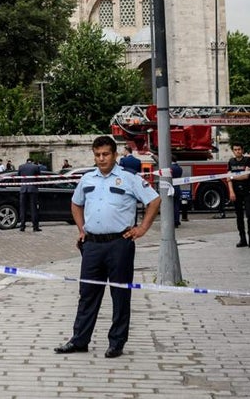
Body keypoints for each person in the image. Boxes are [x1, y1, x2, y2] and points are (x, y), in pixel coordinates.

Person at [55, 136, 160, 359]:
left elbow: (154, 200)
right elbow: (76, 203)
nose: (101, 159)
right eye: (97, 154)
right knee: (87, 294)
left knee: (120, 294)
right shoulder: (87, 178)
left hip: (119, 244)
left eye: (105, 154)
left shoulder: (129, 178)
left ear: (115, 155)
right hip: (92, 245)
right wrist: (82, 229)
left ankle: (116, 342)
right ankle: (79, 340)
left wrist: (141, 229)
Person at [226, 144, 250, 248]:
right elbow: (228, 179)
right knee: (239, 216)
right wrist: (231, 192)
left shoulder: (247, 160)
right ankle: (242, 239)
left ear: (242, 150)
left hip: (247, 192)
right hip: (236, 193)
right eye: (235, 150)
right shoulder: (231, 162)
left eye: (239, 149)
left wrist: (232, 176)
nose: (237, 151)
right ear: (233, 151)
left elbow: (246, 176)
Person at [17, 157, 44, 231]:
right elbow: (39, 177)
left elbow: (19, 176)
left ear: (26, 161)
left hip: (23, 189)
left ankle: (22, 226)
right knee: (33, 208)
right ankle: (35, 227)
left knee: (22, 208)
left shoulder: (21, 167)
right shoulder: (36, 167)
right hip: (33, 189)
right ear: (32, 161)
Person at [169, 156, 184, 227]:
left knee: (170, 206)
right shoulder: (179, 168)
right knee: (176, 205)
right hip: (177, 188)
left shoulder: (170, 168)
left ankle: (172, 221)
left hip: (170, 188)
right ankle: (177, 221)